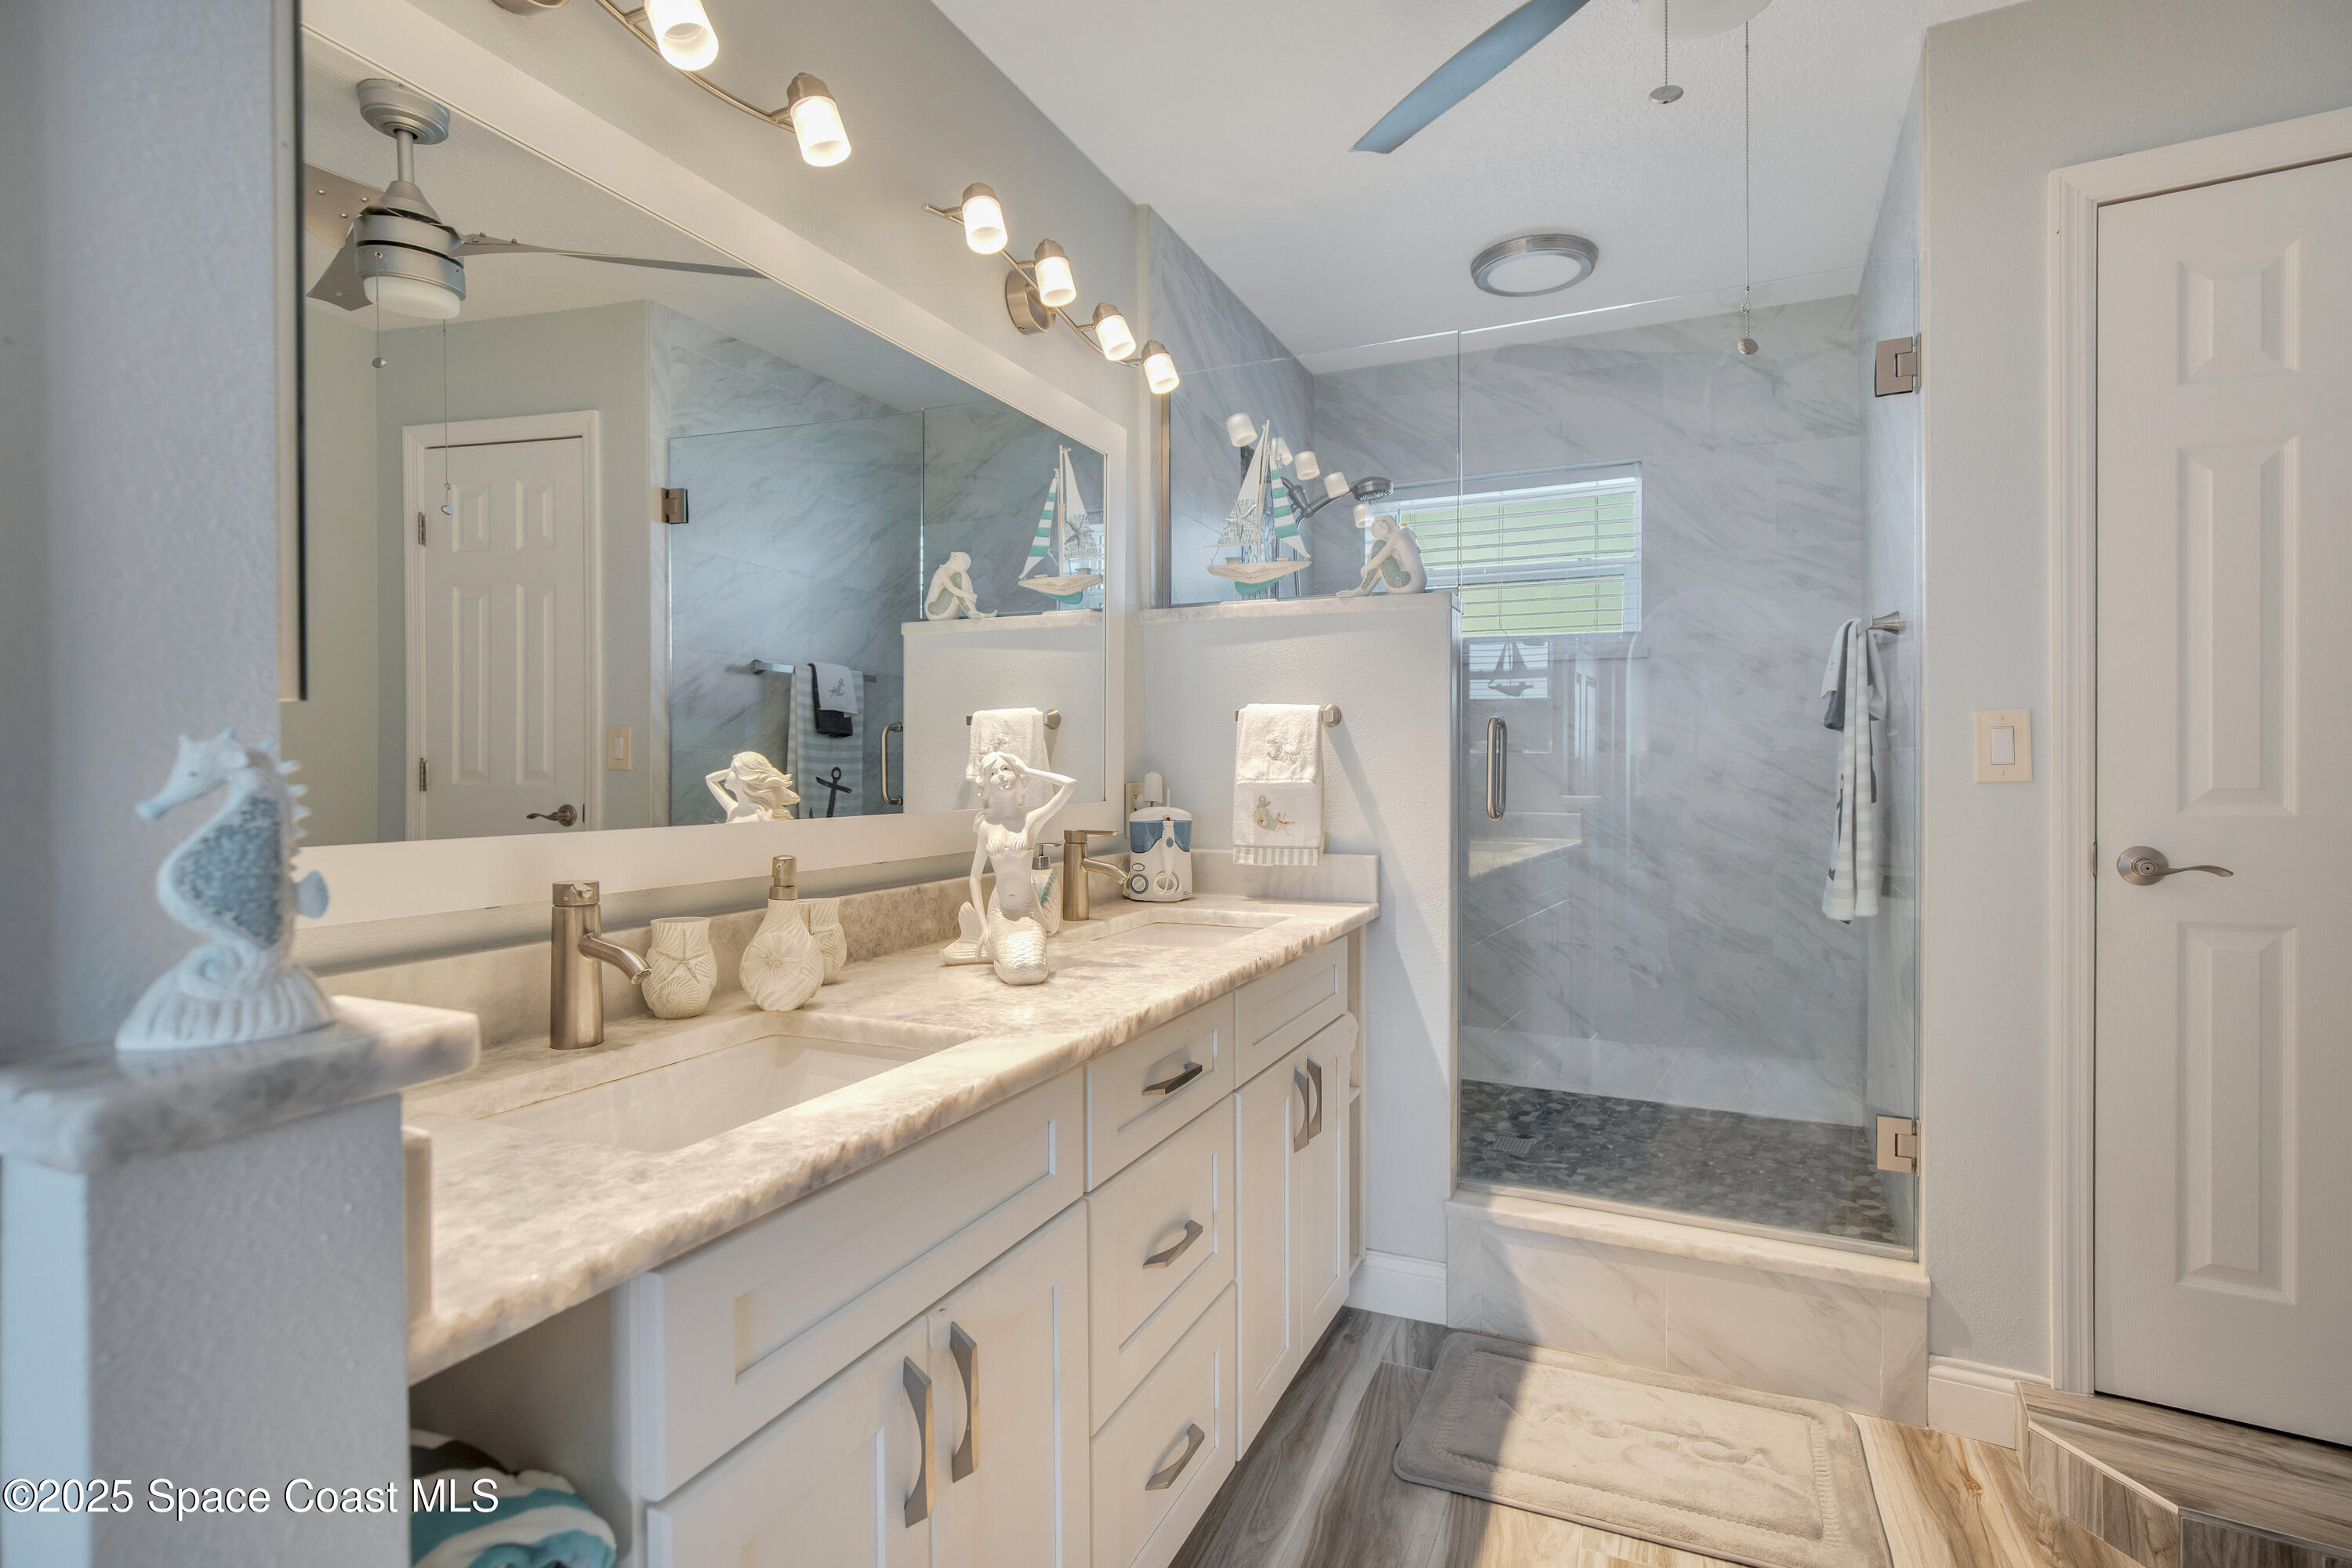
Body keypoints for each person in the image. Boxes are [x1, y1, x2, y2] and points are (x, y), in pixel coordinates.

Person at [943, 750, 1074, 984]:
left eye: (1006, 769)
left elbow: (1069, 785)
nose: (1001, 776)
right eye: (993, 773)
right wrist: (984, 927)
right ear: (987, 783)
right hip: (1000, 912)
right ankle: (991, 945)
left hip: (1029, 912)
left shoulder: (1031, 820)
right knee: (1017, 974)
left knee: (1034, 971)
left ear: (1018, 775)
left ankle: (995, 951)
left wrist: (1027, 770)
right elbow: (974, 877)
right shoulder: (986, 826)